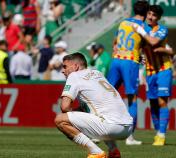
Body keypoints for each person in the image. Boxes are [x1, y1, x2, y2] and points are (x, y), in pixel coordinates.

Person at [55, 53, 133, 158]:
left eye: (65, 66)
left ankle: (96, 152)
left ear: (76, 66)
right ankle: (113, 151)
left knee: (60, 119)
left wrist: (71, 115)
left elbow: (64, 107)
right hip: (128, 128)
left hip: (110, 126)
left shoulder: (74, 75)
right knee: (98, 115)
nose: (63, 70)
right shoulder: (97, 73)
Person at [107, 0, 149, 145]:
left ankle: (98, 132)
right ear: (146, 13)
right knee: (132, 98)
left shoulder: (123, 22)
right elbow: (146, 43)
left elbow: (115, 42)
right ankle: (129, 137)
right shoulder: (143, 26)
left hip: (116, 60)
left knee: (106, 95)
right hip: (130, 62)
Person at [133, 5, 174, 146]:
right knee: (153, 103)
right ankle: (158, 131)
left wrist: (139, 30)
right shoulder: (142, 29)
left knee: (162, 101)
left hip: (164, 69)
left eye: (154, 15)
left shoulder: (161, 29)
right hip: (149, 72)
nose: (151, 17)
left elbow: (154, 41)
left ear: (159, 18)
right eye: (149, 13)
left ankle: (161, 135)